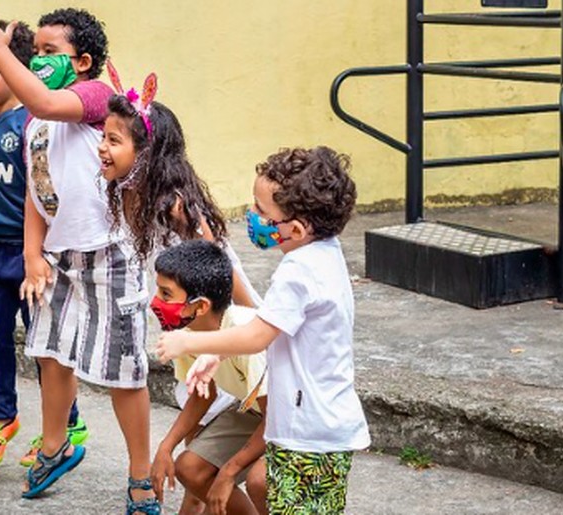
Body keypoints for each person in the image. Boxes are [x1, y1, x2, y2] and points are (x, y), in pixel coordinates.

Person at [0, 4, 159, 513]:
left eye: (49, 53)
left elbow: (48, 102)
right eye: (34, 53)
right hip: (60, 258)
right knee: (50, 353)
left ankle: (141, 475)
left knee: (124, 371)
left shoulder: (94, 97)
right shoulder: (36, 122)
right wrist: (33, 253)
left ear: (83, 61)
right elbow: (38, 187)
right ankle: (55, 446)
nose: (37, 62)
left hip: (109, 256)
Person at [156, 147, 371, 514]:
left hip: (306, 433)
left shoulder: (299, 270)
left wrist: (189, 340)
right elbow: (274, 327)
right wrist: (217, 354)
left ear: (298, 228)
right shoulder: (325, 254)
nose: (252, 216)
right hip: (321, 427)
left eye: (261, 211)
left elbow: (257, 334)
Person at [99, 62, 264, 514]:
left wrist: (256, 326)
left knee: (207, 456)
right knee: (197, 454)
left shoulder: (174, 206)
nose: (103, 149)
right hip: (191, 320)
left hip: (224, 325)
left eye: (114, 140)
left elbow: (222, 268)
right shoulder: (132, 195)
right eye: (103, 137)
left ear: (146, 151)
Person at [0, 19, 86, 473]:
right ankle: (3, 419)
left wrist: (43, 254)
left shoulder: (35, 124)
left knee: (45, 347)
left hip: (33, 254)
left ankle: (66, 427)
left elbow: (45, 190)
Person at [148, 240, 269, 515]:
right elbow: (204, 395)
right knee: (190, 469)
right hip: (254, 412)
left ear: (200, 306)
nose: (156, 301)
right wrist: (166, 447)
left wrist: (229, 471)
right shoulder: (187, 333)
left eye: (166, 294)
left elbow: (276, 417)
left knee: (259, 481)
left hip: (289, 415)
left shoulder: (243, 329)